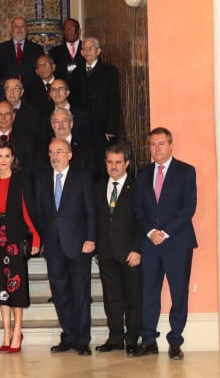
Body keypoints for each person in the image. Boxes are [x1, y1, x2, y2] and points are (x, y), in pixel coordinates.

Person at [132, 127, 197, 360]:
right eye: (152, 144)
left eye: (161, 144)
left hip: (178, 242)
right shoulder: (142, 174)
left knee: (179, 293)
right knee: (148, 292)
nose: (156, 149)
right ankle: (149, 340)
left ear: (171, 145)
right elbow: (138, 210)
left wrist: (165, 232)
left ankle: (175, 342)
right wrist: (150, 232)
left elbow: (188, 208)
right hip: (150, 243)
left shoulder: (186, 172)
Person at [35, 138, 97, 356]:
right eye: (51, 152)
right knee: (60, 293)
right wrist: (43, 240)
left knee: (80, 294)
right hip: (53, 246)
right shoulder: (43, 180)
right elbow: (41, 214)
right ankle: (68, 336)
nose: (54, 156)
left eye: (59, 152)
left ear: (69, 155)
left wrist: (91, 238)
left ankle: (82, 339)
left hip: (79, 246)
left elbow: (91, 210)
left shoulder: (82, 178)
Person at [0, 141, 40, 353]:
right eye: (0, 156)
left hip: (14, 236)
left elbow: (27, 210)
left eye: (7, 156)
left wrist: (36, 237)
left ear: (13, 158)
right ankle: (6, 332)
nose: (3, 160)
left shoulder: (21, 180)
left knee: (16, 286)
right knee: (0, 287)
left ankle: (17, 333)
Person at [94, 144, 142, 356]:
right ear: (106, 163)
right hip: (106, 253)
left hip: (130, 253)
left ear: (127, 164)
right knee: (111, 298)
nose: (114, 167)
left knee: (132, 299)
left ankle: (132, 339)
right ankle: (115, 338)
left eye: (118, 162)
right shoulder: (97, 187)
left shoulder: (138, 187)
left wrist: (137, 249)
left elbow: (143, 220)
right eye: (110, 162)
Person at [69, 37, 120, 178]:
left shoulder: (109, 71)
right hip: (82, 125)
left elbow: (114, 100)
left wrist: (111, 127)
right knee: (85, 160)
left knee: (102, 162)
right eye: (85, 49)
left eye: (91, 48)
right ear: (81, 52)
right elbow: (73, 100)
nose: (88, 51)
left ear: (98, 51)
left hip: (102, 126)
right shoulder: (76, 73)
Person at [0, 101, 35, 180]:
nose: (3, 117)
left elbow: (28, 169)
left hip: (17, 185)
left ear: (13, 116)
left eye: (7, 114)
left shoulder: (26, 140)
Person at [0, 17, 44, 88]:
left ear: (26, 30)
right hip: (8, 91)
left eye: (22, 26)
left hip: (31, 90)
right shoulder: (0, 49)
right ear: (11, 30)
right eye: (16, 26)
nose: (19, 29)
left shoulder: (37, 49)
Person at [3, 78, 41, 146]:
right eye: (8, 89)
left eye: (16, 88)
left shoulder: (32, 112)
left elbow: (37, 138)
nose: (12, 92)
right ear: (4, 92)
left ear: (22, 92)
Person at [24, 54, 56, 124]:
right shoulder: (31, 90)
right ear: (37, 71)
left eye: (46, 64)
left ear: (53, 67)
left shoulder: (64, 83)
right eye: (39, 66)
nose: (43, 68)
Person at [49, 18, 83, 82]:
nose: (68, 31)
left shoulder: (87, 48)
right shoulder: (54, 52)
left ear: (79, 31)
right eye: (65, 29)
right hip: (63, 89)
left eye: (71, 28)